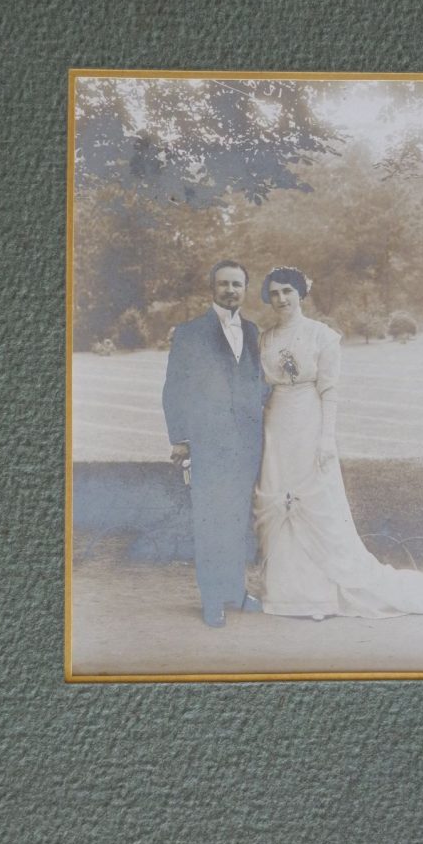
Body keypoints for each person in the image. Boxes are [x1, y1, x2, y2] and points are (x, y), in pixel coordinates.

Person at [254, 267, 423, 619]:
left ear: (301, 293)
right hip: (276, 426)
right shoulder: (266, 339)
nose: (281, 299)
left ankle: (319, 595)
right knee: (279, 500)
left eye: (288, 291)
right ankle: (285, 593)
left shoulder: (322, 336)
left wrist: (326, 439)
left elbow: (329, 391)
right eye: (274, 293)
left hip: (309, 421)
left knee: (315, 504)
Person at [162, 261, 266, 627]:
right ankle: (211, 599)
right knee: (210, 519)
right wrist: (181, 440)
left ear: (245, 289)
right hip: (208, 442)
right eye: (224, 284)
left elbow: (256, 383)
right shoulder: (191, 332)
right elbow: (174, 387)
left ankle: (236, 590)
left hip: (247, 444)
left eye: (237, 284)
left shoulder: (252, 331)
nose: (230, 290)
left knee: (238, 519)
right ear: (212, 288)